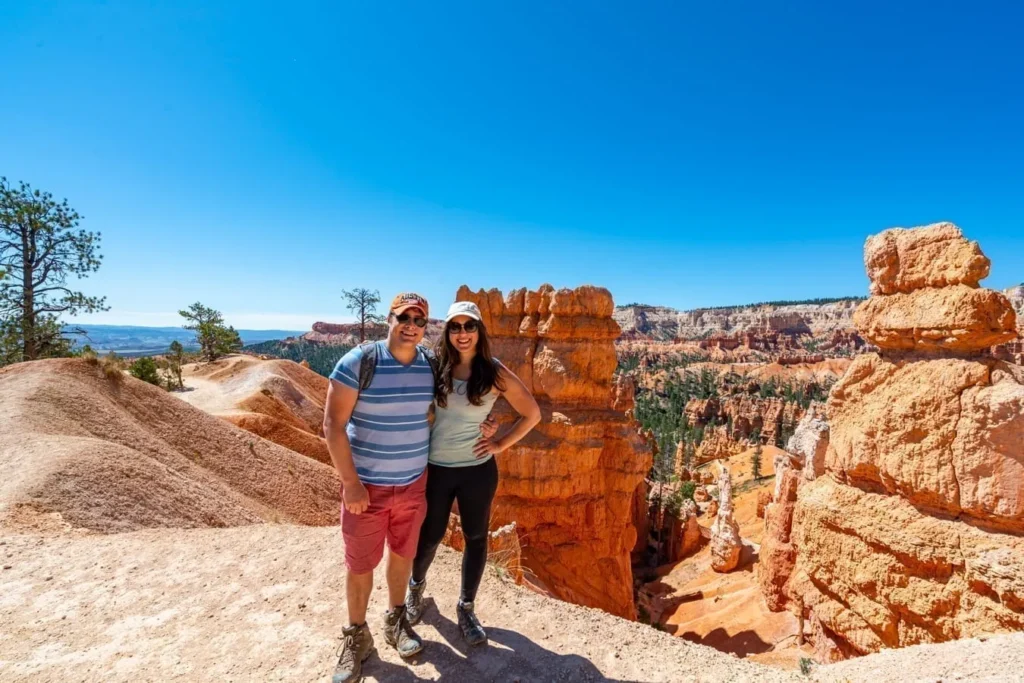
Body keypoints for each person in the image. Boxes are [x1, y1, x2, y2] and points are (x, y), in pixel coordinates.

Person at [324, 293, 497, 683]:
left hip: (414, 484)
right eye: (405, 317)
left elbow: (455, 404)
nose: (412, 325)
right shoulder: (359, 361)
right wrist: (350, 484)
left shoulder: (429, 366)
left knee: (402, 556)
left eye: (420, 320)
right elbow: (333, 426)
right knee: (360, 564)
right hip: (366, 488)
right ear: (391, 318)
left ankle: (396, 620)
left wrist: (490, 426)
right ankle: (355, 637)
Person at [405, 300, 541, 646]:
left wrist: (500, 443)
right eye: (455, 326)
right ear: (447, 332)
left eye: (469, 326)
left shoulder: (493, 371)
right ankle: (415, 590)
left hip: (477, 470)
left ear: (479, 331)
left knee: (476, 537)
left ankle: (466, 607)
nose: (462, 333)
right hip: (437, 467)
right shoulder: (436, 367)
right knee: (430, 535)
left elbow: (532, 414)